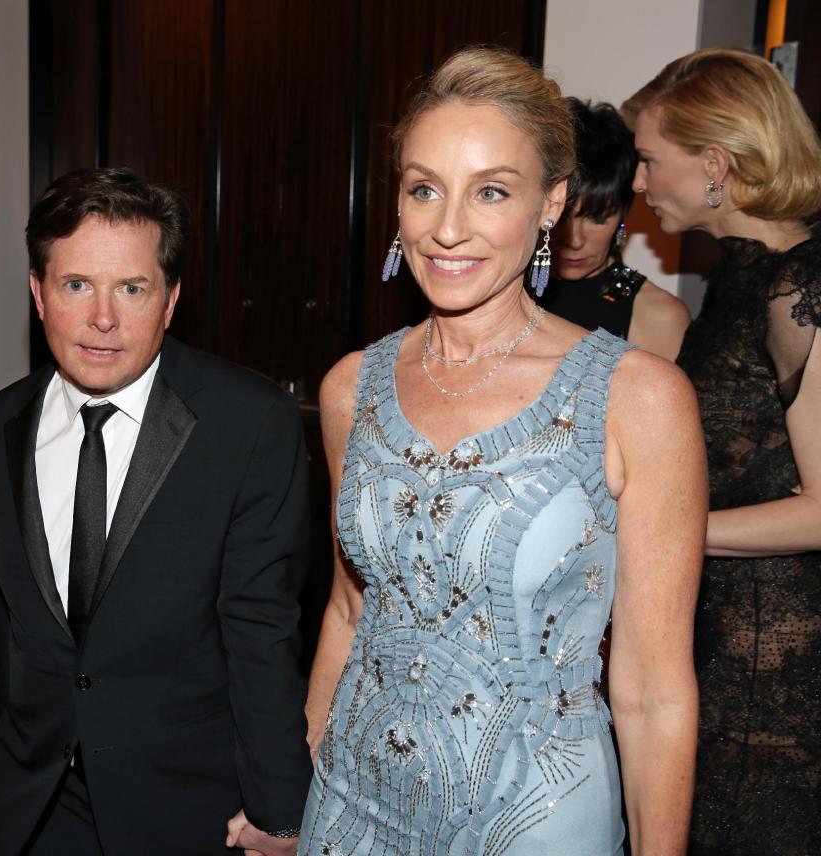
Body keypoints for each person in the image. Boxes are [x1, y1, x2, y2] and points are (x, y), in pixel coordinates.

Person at [300, 47, 706, 855]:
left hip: (535, 819)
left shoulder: (638, 397)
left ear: (552, 202)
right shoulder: (352, 388)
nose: (448, 228)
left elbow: (655, 692)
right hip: (350, 806)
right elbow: (351, 609)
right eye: (424, 189)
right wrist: (301, 774)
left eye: (491, 191)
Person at [0, 168, 311, 855]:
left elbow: (261, 628)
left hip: (187, 804)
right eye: (75, 285)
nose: (103, 318)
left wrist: (281, 807)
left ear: (171, 300)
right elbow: (14, 630)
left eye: (131, 287)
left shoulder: (248, 422)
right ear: (38, 293)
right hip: (35, 799)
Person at [623, 48, 821, 856]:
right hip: (724, 639)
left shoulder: (798, 287)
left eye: (647, 161)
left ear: (715, 163)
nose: (638, 184)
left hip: (774, 677)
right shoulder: (740, 281)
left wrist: (663, 531)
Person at [540, 98, 690, 359]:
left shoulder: (658, 316)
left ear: (623, 213)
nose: (575, 240)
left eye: (597, 218)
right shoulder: (506, 290)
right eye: (562, 218)